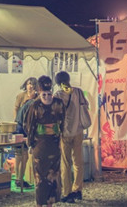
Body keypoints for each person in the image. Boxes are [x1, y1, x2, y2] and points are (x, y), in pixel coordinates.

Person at [25, 75, 65, 207]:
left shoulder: (35, 105)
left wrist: (30, 143)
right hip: (52, 144)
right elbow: (63, 123)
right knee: (50, 175)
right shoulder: (58, 103)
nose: (47, 97)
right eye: (45, 94)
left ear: (38, 88)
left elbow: (29, 126)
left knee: (42, 177)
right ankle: (48, 203)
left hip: (41, 144)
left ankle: (42, 204)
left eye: (48, 94)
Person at [54, 70, 90, 203]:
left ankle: (67, 193)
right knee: (78, 162)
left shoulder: (58, 95)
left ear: (58, 83)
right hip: (78, 131)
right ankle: (78, 190)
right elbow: (86, 106)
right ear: (68, 80)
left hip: (65, 133)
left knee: (65, 163)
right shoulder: (78, 92)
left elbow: (55, 113)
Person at [14, 77, 38, 188]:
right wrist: (15, 122)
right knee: (19, 154)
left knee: (25, 154)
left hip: (28, 127)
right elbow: (16, 109)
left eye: (32, 84)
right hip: (20, 126)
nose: (30, 86)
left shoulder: (37, 98)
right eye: (28, 83)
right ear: (25, 85)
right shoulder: (21, 96)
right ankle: (18, 178)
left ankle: (20, 178)